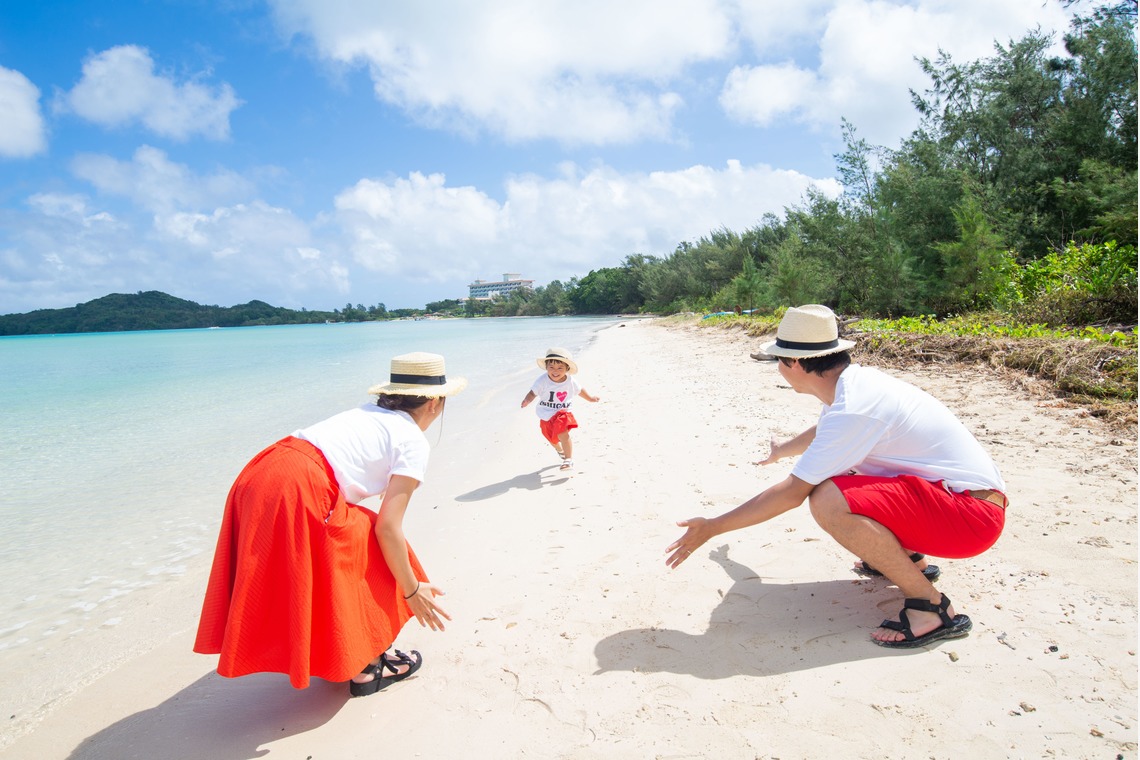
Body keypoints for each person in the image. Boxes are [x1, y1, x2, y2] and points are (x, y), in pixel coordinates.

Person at [666, 305, 1007, 648]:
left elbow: (791, 494)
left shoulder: (854, 408)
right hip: (957, 502)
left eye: (778, 362)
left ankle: (931, 608)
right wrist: (782, 449)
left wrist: (712, 526)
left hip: (971, 521)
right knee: (841, 477)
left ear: (794, 363)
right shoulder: (857, 385)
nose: (779, 370)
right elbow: (826, 430)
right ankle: (909, 559)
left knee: (828, 498)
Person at [194, 352, 466, 696]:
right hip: (299, 485)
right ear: (434, 403)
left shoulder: (368, 413)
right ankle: (366, 666)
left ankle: (336, 650)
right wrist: (412, 590)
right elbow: (388, 528)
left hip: (263, 469)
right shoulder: (413, 441)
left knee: (334, 545)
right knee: (369, 541)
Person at [520, 347, 600, 471]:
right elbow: (532, 393)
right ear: (546, 367)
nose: (555, 371)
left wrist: (590, 398)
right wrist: (527, 400)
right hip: (546, 414)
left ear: (567, 369)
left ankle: (568, 460)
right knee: (551, 438)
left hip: (563, 413)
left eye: (560, 368)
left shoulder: (570, 381)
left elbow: (579, 390)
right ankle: (559, 449)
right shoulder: (542, 381)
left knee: (563, 433)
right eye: (551, 367)